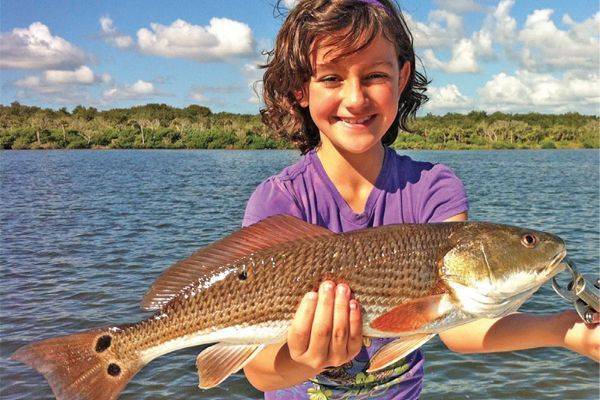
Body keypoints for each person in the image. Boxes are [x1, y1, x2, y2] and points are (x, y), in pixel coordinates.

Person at [241, 1, 600, 398]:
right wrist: (307, 358)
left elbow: (459, 326)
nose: (355, 98)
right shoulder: (279, 200)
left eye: (375, 75)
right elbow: (258, 372)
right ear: (299, 90)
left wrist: (565, 330)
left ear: (402, 76)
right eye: (330, 78)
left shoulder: (435, 189)